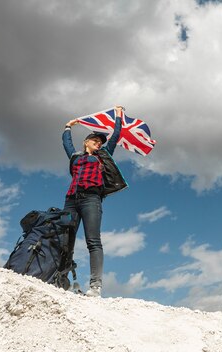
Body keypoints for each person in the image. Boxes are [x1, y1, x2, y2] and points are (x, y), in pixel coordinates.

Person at [63, 106, 128, 297]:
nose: (99, 143)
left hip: (91, 200)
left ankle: (95, 286)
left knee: (93, 241)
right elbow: (66, 144)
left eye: (100, 142)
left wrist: (118, 116)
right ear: (86, 142)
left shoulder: (103, 156)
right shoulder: (75, 157)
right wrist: (68, 127)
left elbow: (115, 136)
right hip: (71, 200)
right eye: (95, 141)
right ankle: (62, 279)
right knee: (66, 241)